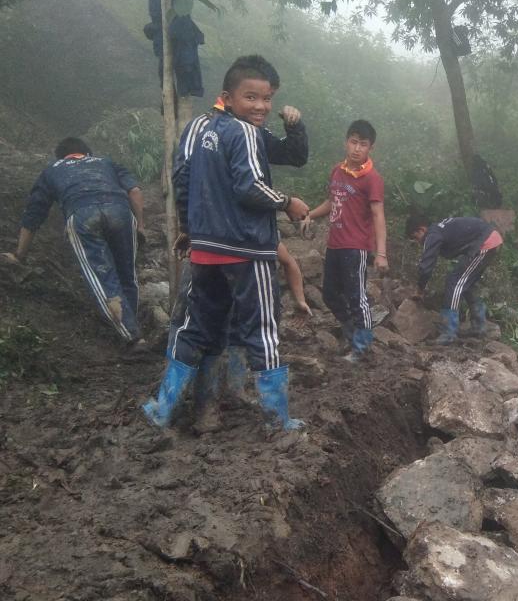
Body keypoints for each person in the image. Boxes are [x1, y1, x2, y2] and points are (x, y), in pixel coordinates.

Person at [143, 55, 310, 430]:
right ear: (228, 96)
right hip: (247, 248)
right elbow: (248, 186)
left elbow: (182, 178)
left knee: (195, 327)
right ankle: (277, 420)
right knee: (262, 329)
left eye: (266, 99)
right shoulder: (247, 132)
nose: (262, 107)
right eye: (252, 98)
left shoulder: (197, 129)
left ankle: (164, 409)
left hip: (205, 250)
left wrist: (190, 228)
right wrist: (287, 202)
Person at [3, 138, 145, 343]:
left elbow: (33, 214)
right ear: (87, 152)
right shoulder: (105, 162)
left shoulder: (52, 170)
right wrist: (140, 225)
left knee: (101, 277)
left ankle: (132, 338)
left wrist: (19, 255)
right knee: (127, 274)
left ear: (61, 156)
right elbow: (135, 191)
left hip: (82, 214)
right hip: (120, 212)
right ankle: (131, 324)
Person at [302, 120, 387, 362]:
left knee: (356, 297)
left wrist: (381, 253)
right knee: (329, 294)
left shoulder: (372, 178)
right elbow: (333, 201)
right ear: (346, 142)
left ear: (370, 148)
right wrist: (310, 214)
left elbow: (378, 215)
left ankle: (363, 348)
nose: (357, 148)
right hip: (335, 244)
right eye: (353, 142)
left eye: (363, 144)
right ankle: (351, 336)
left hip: (356, 248)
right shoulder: (337, 171)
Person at [406, 213, 502, 344]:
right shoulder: (439, 229)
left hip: (484, 242)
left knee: (455, 282)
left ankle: (449, 332)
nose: (417, 241)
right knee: (465, 283)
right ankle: (479, 326)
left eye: (415, 237)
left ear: (421, 229)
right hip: (487, 239)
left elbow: (426, 266)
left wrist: (420, 289)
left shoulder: (432, 235)